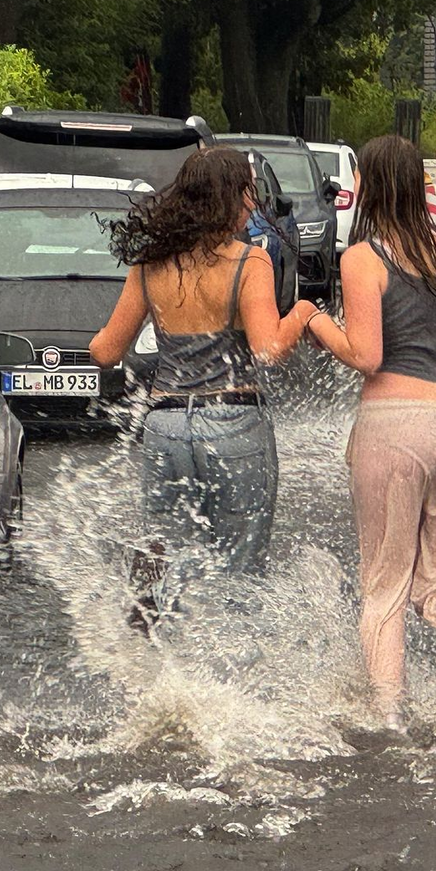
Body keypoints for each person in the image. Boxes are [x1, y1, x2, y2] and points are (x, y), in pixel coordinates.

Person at [306, 133, 436, 731]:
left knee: (386, 585)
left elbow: (367, 354)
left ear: (369, 187)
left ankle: (389, 717)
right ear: (420, 187)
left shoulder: (363, 259)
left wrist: (316, 321)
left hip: (394, 425)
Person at [89, 146, 320, 625]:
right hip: (233, 422)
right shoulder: (249, 262)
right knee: (239, 567)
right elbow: (268, 350)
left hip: (166, 426)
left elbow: (106, 352)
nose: (253, 206)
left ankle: (154, 643)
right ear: (225, 199)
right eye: (247, 194)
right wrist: (303, 313)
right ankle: (227, 676)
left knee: (168, 549)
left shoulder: (151, 265)